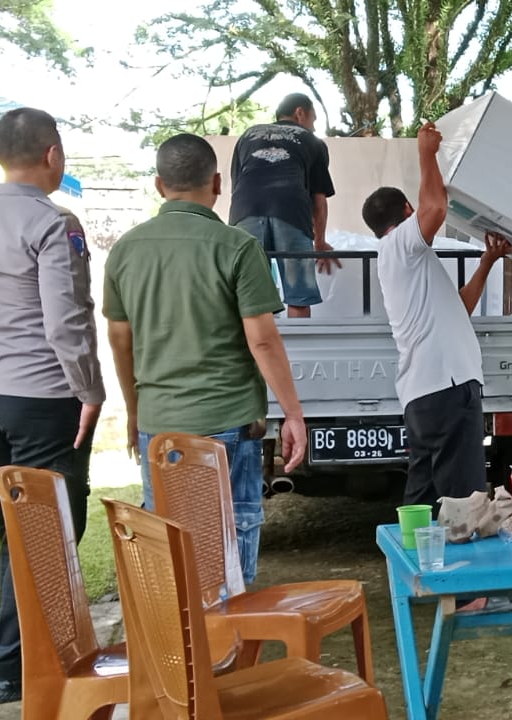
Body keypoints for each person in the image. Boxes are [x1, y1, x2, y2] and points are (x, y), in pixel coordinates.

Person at [0, 107, 105, 705]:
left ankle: (15, 664)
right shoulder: (56, 225)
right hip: (46, 395)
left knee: (17, 527)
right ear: (52, 155)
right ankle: (30, 664)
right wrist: (89, 387)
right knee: (55, 530)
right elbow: (65, 319)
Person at [104, 133, 310, 584]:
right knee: (228, 553)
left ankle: (183, 649)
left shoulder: (125, 250)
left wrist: (135, 411)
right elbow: (263, 341)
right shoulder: (236, 246)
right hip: (228, 423)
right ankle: (229, 644)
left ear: (160, 185)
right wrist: (293, 414)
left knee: (169, 549)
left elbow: (120, 340)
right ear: (218, 183)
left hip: (160, 427)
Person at [362, 121, 512, 616]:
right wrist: (427, 154)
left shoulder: (408, 262)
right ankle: (468, 597)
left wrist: (488, 261)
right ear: (404, 214)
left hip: (425, 393)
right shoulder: (403, 245)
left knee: (422, 499)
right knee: (463, 495)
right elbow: (436, 207)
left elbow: (460, 307)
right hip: (447, 392)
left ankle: (411, 583)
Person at [229, 93, 339, 318]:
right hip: (290, 212)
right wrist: (319, 242)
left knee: (250, 300)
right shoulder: (312, 141)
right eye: (313, 119)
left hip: (244, 212)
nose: (313, 126)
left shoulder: (248, 134)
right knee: (298, 297)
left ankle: (252, 352)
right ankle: (300, 353)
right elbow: (319, 199)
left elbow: (237, 185)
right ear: (300, 113)